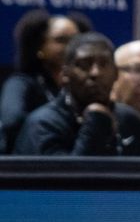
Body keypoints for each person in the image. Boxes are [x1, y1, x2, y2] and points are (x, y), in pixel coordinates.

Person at [13, 32, 140, 157]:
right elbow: (71, 186)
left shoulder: (131, 121)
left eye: (104, 64)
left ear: (115, 74)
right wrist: (96, 123)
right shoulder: (43, 125)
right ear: (65, 75)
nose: (95, 73)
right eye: (84, 65)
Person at [0, 9, 88, 152]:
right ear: (39, 47)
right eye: (61, 40)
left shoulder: (84, 87)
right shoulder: (20, 83)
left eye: (76, 40)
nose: (72, 47)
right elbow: (11, 122)